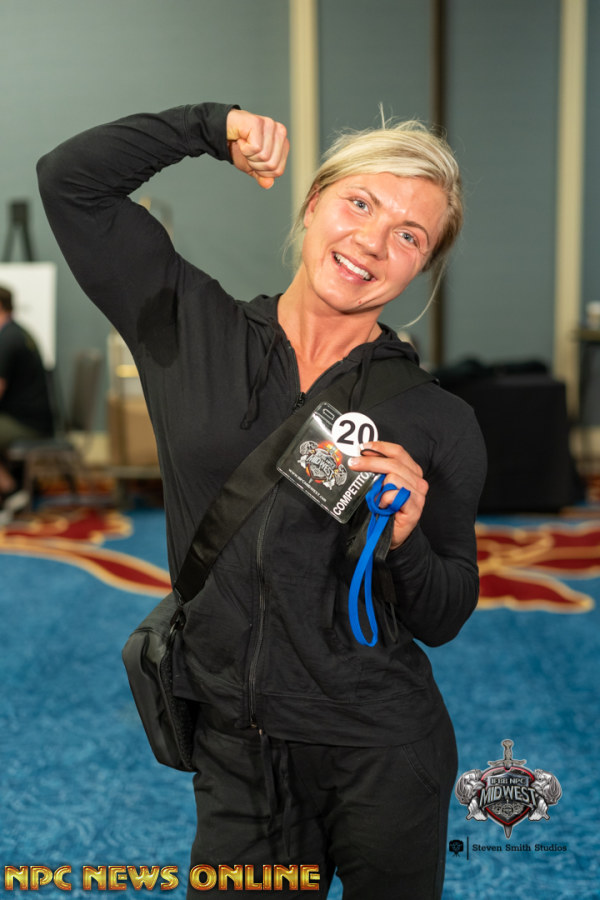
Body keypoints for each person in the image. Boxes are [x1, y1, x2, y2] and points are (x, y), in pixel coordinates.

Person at [37, 102, 486, 899]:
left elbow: (446, 612)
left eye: (409, 235)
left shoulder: (438, 420)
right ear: (312, 203)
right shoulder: (189, 329)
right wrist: (208, 127)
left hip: (382, 749)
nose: (373, 241)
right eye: (360, 203)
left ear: (421, 267)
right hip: (238, 753)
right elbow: (70, 182)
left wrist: (407, 540)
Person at [0, 285, 53, 505]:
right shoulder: (19, 332)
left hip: (27, 423)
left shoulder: (6, 340)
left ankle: (10, 490)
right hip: (35, 419)